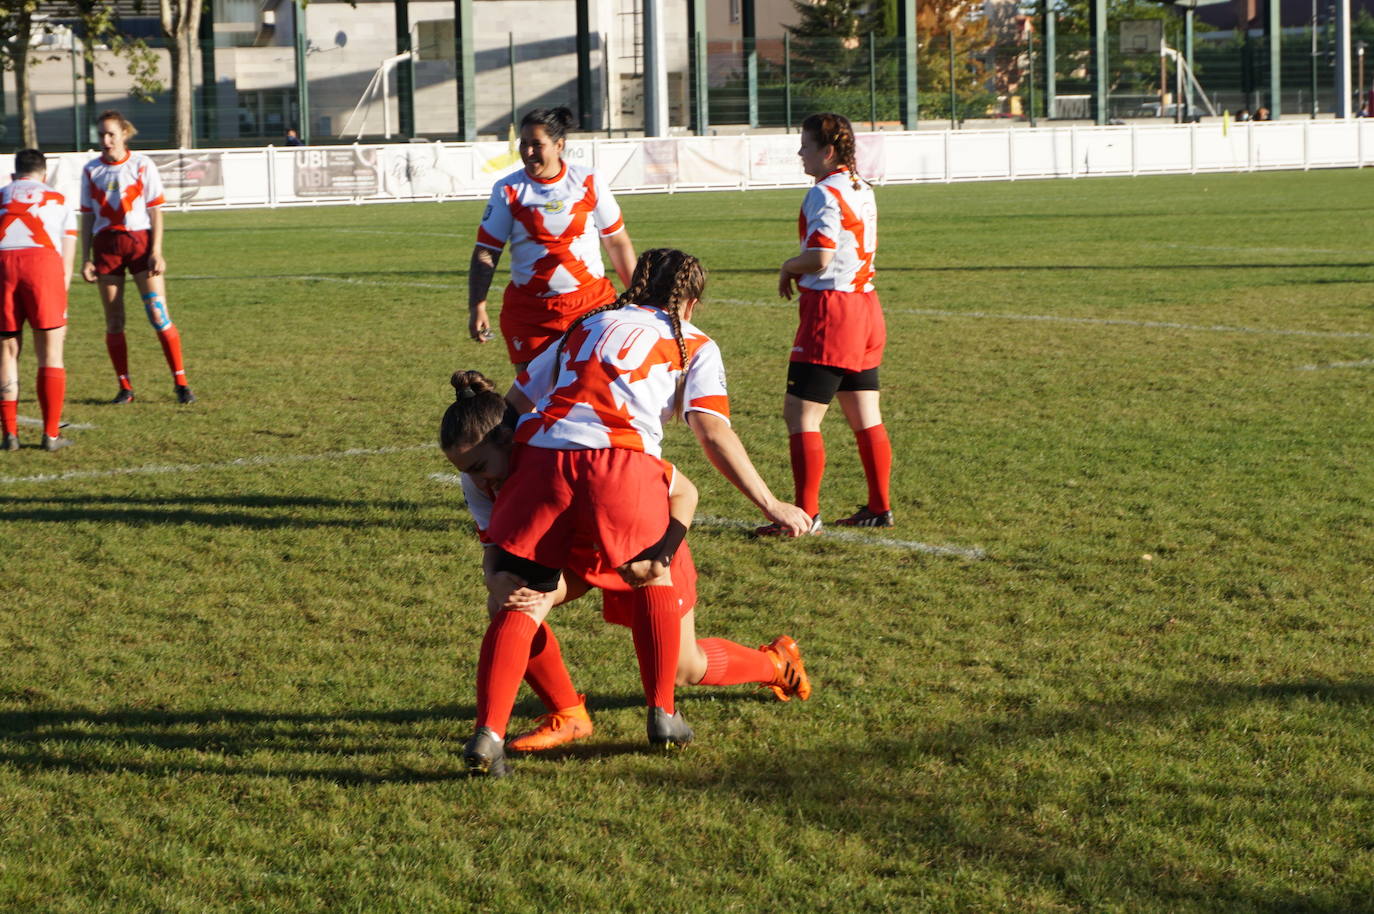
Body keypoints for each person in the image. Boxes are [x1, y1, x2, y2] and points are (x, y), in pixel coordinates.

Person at [461, 248, 812, 777]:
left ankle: (490, 734)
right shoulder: (692, 340)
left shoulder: (587, 323)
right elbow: (711, 430)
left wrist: (493, 481)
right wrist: (772, 502)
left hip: (545, 468)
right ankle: (633, 713)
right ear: (689, 303)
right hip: (621, 477)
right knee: (655, 583)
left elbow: (510, 408)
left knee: (520, 599)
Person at [762, 112, 892, 535]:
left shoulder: (823, 192)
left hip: (832, 313)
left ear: (828, 151)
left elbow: (820, 255)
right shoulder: (862, 187)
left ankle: (804, 515)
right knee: (865, 414)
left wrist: (786, 266)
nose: (800, 152)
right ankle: (879, 506)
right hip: (866, 307)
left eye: (805, 144)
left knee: (800, 416)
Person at [467, 106, 636, 369]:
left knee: (591, 392)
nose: (528, 152)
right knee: (531, 400)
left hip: (591, 307)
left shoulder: (588, 181)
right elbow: (487, 251)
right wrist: (477, 306)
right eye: (524, 144)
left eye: (537, 144)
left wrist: (638, 294)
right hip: (530, 314)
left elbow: (616, 241)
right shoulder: (508, 190)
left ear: (559, 145)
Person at [80, 109, 195, 405]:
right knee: (114, 321)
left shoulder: (142, 165)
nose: (105, 140)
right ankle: (125, 387)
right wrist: (86, 257)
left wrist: (156, 251)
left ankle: (181, 384)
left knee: (158, 314)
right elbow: (88, 215)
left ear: (123, 134)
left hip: (140, 243)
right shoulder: (91, 169)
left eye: (111, 134)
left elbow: (156, 209)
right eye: (101, 134)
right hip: (106, 248)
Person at [1, 149, 78, 452]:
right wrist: (62, 295)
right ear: (44, 176)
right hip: (43, 265)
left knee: (6, 351)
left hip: (3, 265)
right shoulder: (58, 200)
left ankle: (10, 435)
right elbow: (67, 262)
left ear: (13, 175)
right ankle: (50, 435)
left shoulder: (2, 194)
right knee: (51, 352)